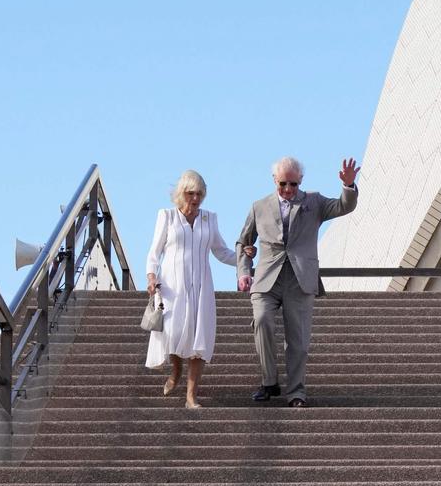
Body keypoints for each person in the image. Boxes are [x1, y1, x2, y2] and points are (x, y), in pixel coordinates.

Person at [238, 156, 359, 407]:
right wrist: (243, 271)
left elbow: (342, 207)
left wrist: (348, 187)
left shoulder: (313, 201)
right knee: (261, 321)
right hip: (266, 279)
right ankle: (269, 381)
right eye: (283, 184)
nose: (288, 190)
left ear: (301, 180)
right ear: (274, 181)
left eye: (293, 184)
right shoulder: (259, 206)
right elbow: (244, 241)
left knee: (298, 340)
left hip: (300, 278)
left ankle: (296, 393)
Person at [145, 170, 238, 409]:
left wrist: (243, 257)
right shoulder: (166, 216)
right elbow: (154, 252)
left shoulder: (210, 218)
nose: (195, 198)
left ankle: (191, 397)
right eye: (190, 193)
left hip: (201, 286)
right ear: (180, 194)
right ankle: (176, 370)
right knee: (174, 334)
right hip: (172, 287)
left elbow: (221, 251)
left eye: (199, 193)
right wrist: (151, 277)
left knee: (199, 340)